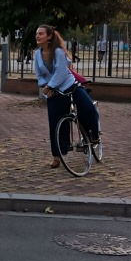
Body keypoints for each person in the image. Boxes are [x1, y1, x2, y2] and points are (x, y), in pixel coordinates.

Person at [33, 25, 100, 168]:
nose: (37, 36)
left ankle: (94, 135)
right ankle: (57, 156)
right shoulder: (37, 54)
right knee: (55, 123)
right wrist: (45, 86)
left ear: (49, 36)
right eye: (37, 34)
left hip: (69, 85)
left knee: (88, 107)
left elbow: (61, 73)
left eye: (41, 33)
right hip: (53, 91)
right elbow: (39, 74)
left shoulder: (58, 52)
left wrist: (50, 86)